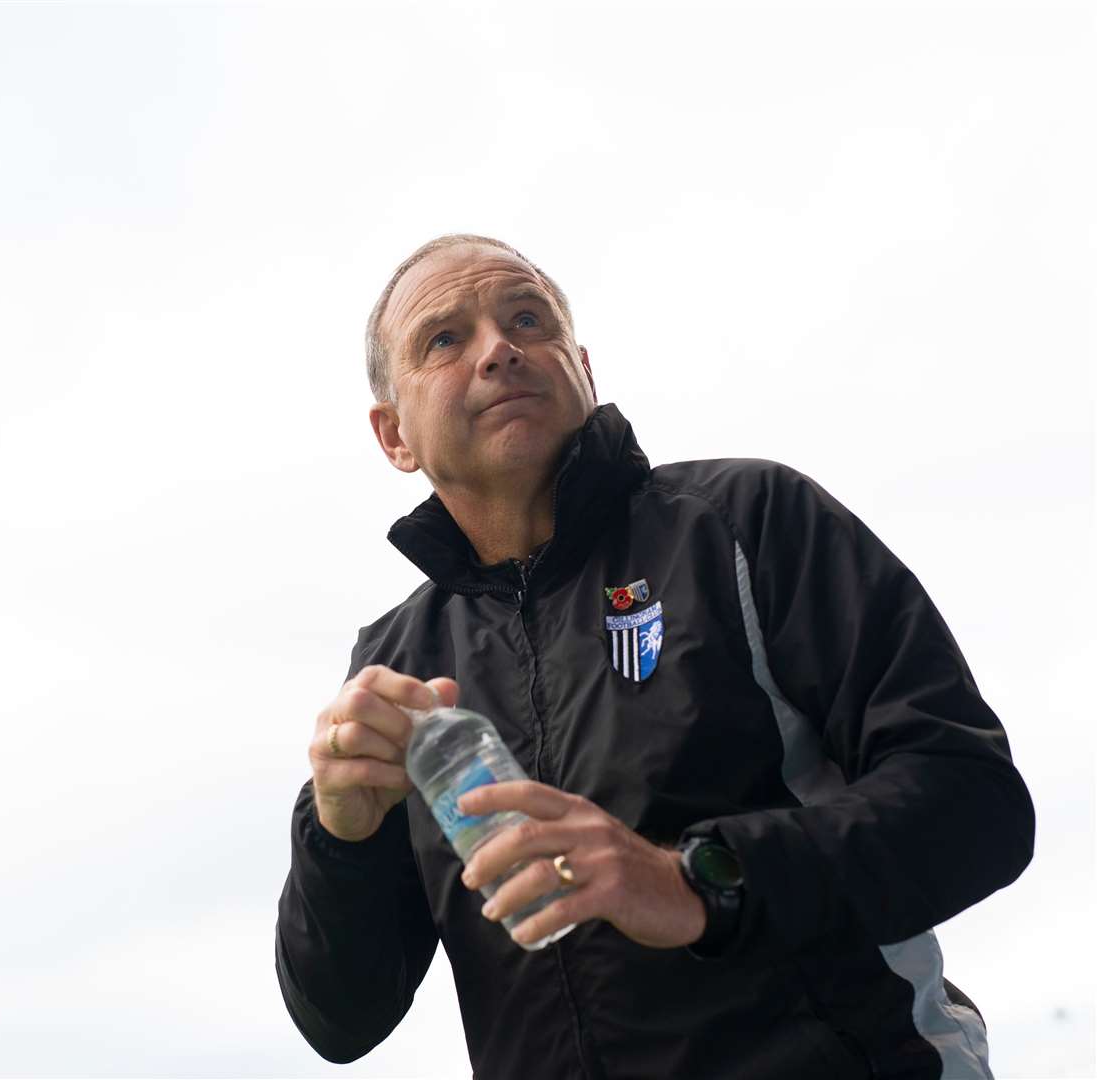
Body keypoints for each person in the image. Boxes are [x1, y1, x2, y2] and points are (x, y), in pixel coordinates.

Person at [273, 234, 1036, 1079]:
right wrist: (338, 835)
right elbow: (340, 1019)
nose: (500, 349)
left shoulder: (745, 520)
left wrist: (696, 881)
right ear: (394, 437)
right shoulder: (395, 669)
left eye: (528, 318)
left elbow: (975, 805)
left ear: (583, 369)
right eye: (445, 339)